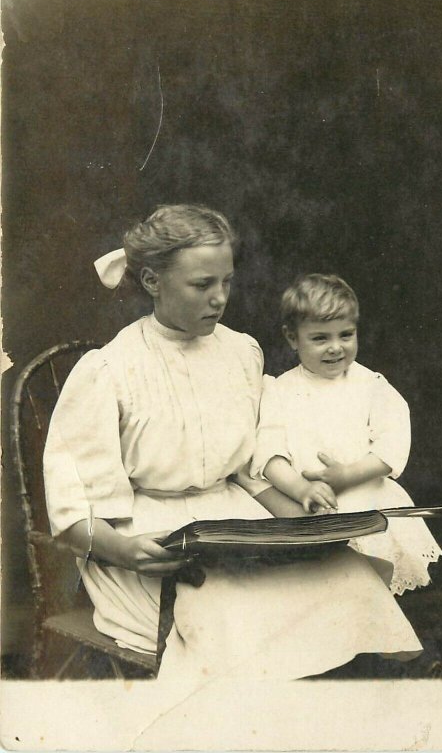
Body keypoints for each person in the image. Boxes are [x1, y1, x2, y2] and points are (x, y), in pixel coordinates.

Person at [43, 205, 422, 697]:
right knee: (232, 610)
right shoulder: (109, 370)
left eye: (227, 281)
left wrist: (304, 521)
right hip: (142, 539)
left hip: (233, 518)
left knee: (344, 575)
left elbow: (248, 470)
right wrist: (128, 553)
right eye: (202, 285)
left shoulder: (241, 353)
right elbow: (73, 514)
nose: (220, 298)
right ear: (153, 281)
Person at [252, 273, 442, 596]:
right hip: (312, 506)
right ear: (292, 338)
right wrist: (302, 489)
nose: (335, 348)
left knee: (373, 581)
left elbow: (392, 444)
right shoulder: (279, 390)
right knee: (323, 587)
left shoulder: (371, 385)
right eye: (320, 338)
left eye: (346, 335)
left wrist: (347, 475)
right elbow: (269, 455)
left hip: (367, 497)